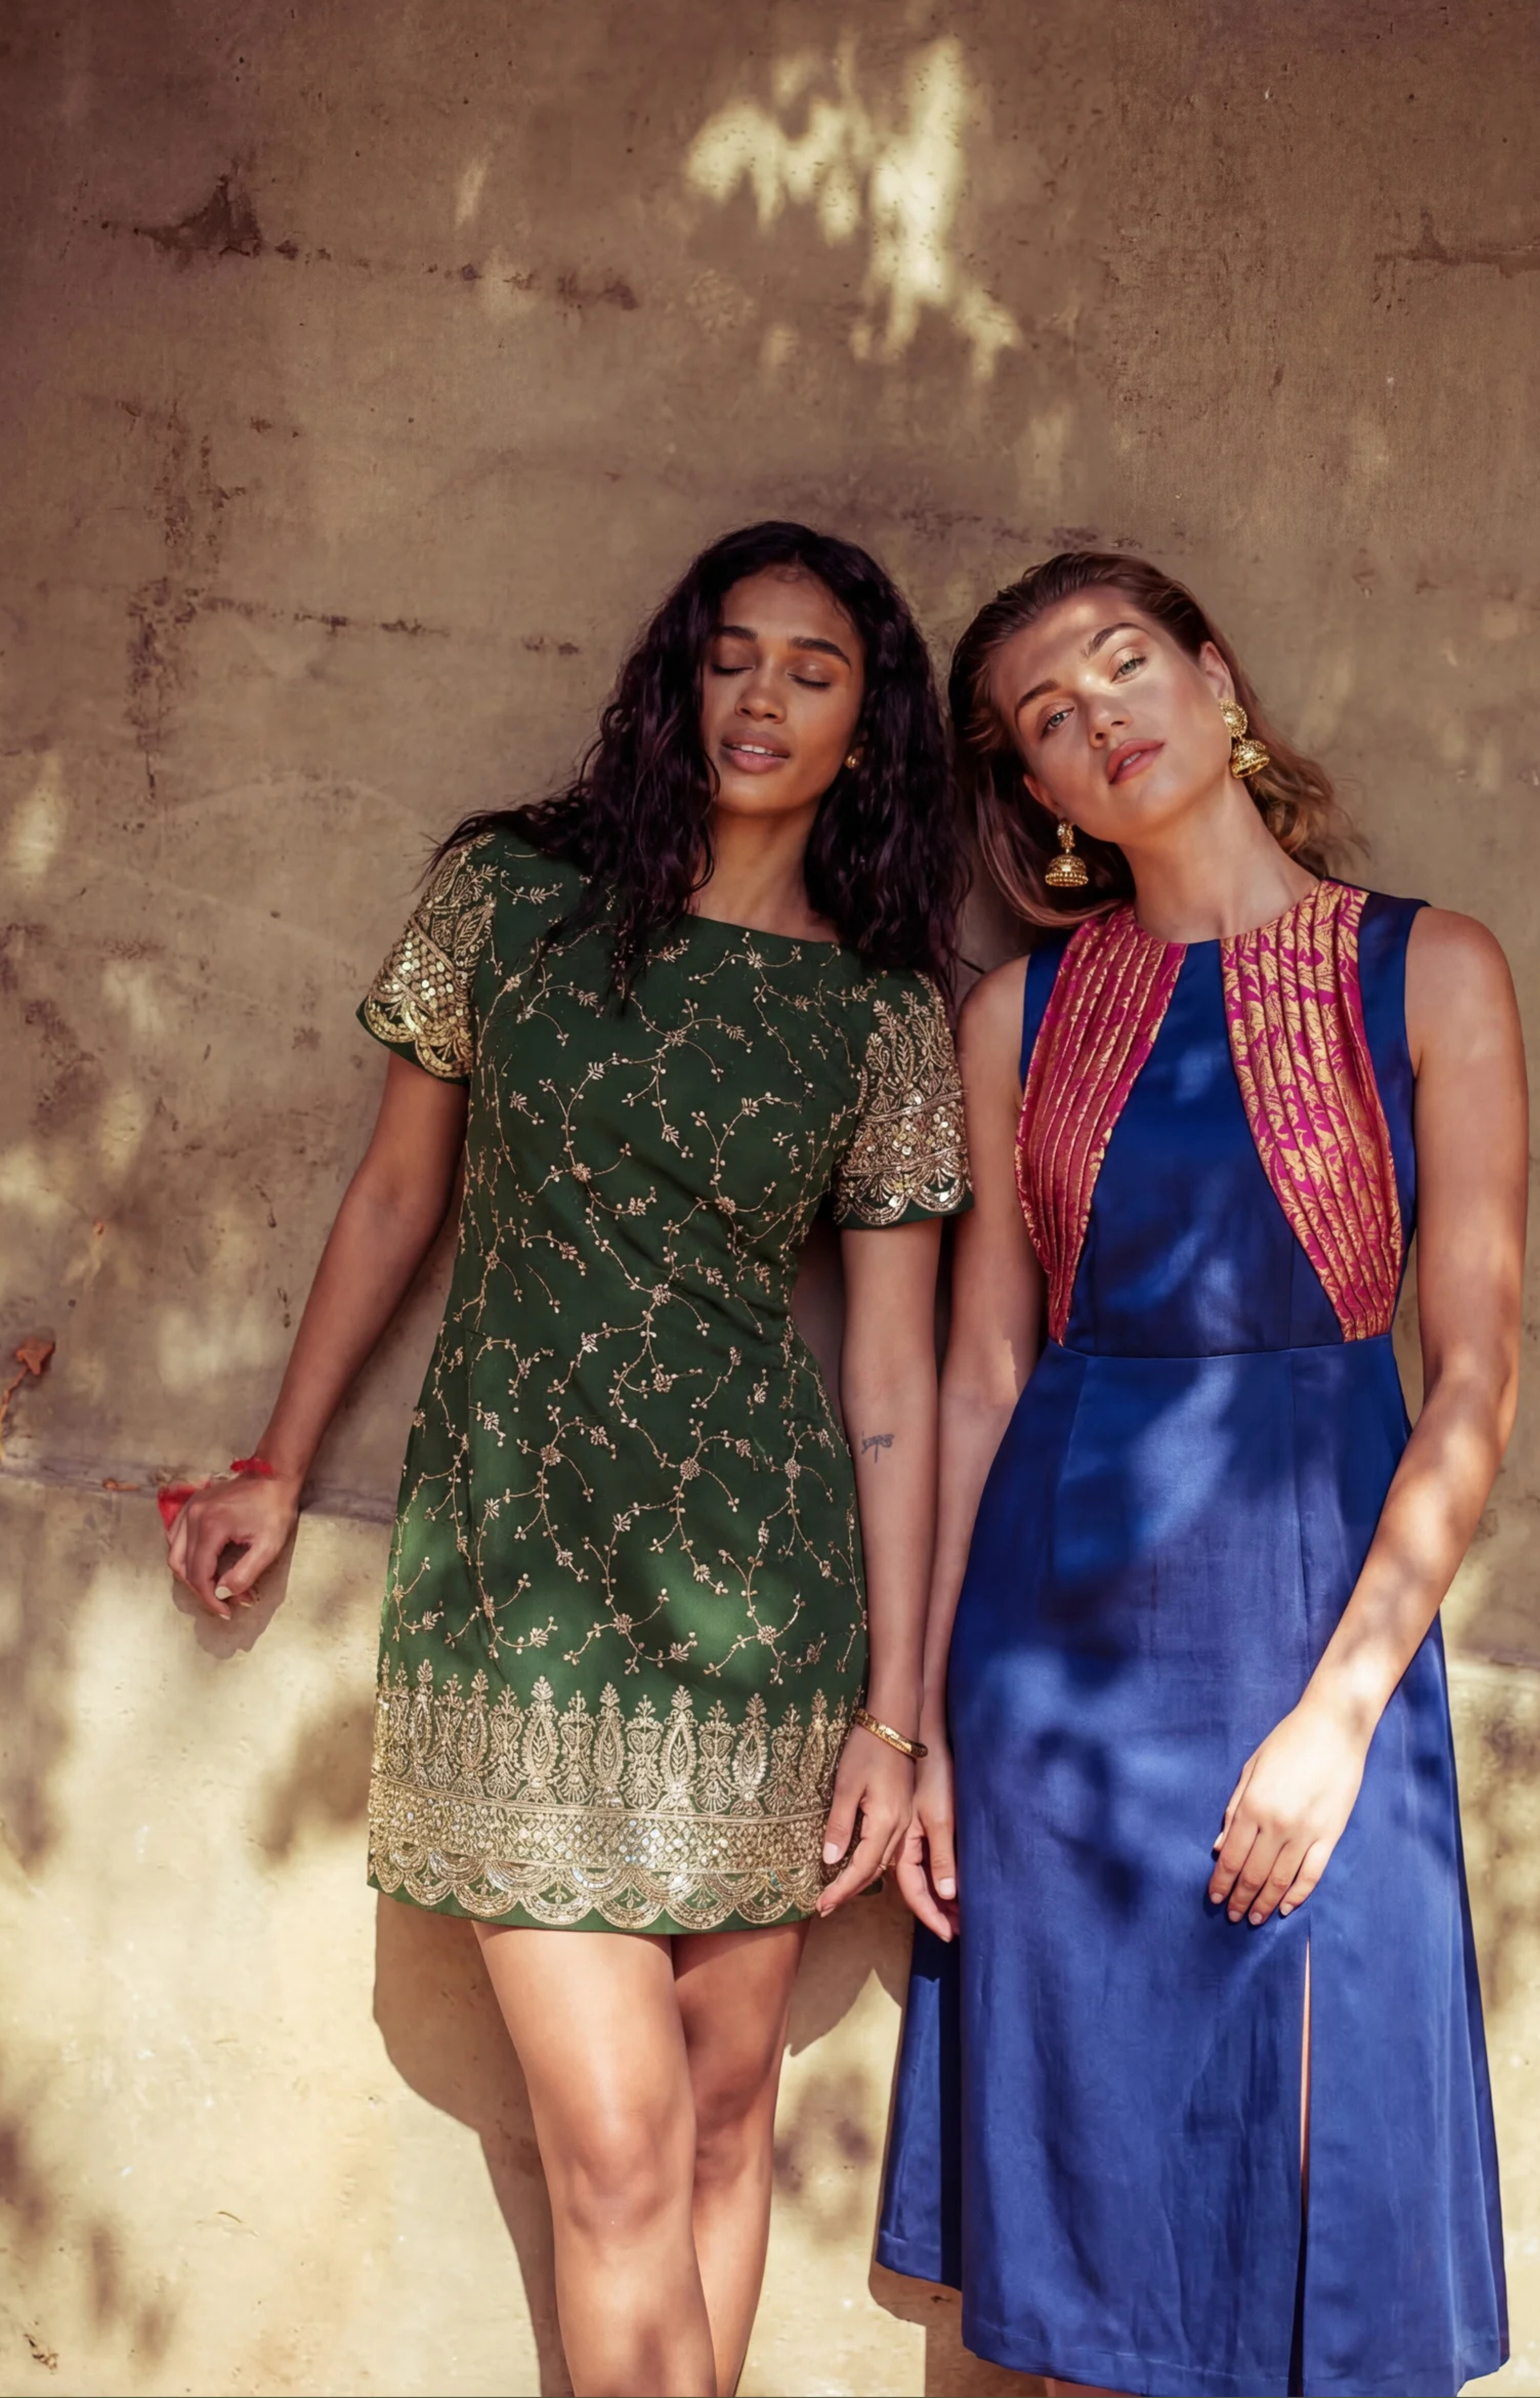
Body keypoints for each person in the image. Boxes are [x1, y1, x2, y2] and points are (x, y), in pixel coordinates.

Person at [164, 522, 971, 2398]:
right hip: (518, 1580)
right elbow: (394, 1197)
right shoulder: (504, 895)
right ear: (678, 673)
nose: (761, 696)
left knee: (708, 2130)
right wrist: (281, 1459)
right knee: (612, 2156)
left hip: (761, 1607)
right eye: (731, 654)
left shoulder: (883, 1013)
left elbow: (897, 1379)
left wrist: (894, 1713)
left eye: (815, 670)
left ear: (874, 732)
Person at [877, 551, 1524, 2398]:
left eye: (1127, 664)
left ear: (1216, 676)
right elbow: (986, 1370)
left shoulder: (1435, 969)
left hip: (1319, 1639)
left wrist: (1335, 1724)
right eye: (1049, 723)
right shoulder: (1020, 1015)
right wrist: (921, 1721)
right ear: (1040, 794)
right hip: (1052, 1675)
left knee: (1308, 2232)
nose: (1104, 722)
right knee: (1090, 2284)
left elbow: (1473, 1380)